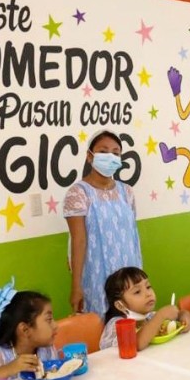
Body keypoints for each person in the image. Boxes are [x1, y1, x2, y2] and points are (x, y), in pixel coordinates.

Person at [65, 131, 143, 318]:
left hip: (129, 273)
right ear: (89, 156)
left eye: (116, 153)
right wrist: (76, 286)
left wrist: (140, 278)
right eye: (103, 151)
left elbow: (132, 236)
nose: (110, 157)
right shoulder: (78, 193)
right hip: (96, 276)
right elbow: (78, 240)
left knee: (134, 322)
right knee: (102, 322)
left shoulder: (126, 192)